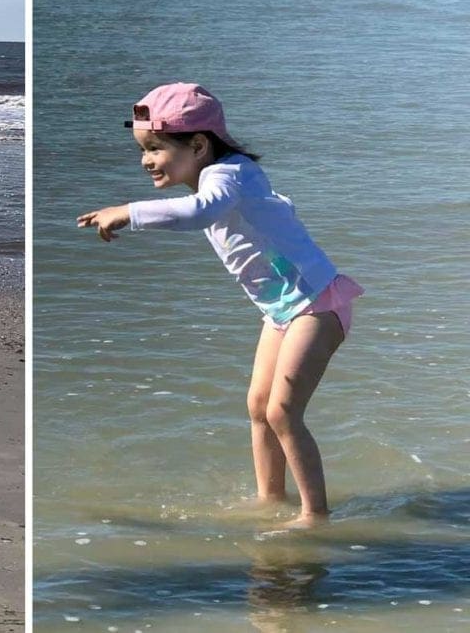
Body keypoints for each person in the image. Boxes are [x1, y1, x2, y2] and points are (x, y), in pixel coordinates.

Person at [77, 83, 363, 527]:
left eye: (154, 148)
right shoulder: (221, 176)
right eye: (142, 149)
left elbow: (198, 213)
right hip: (283, 310)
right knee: (258, 407)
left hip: (317, 303)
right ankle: (271, 498)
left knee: (282, 411)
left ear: (198, 144)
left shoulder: (227, 175)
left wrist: (129, 212)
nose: (145, 160)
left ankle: (315, 516)